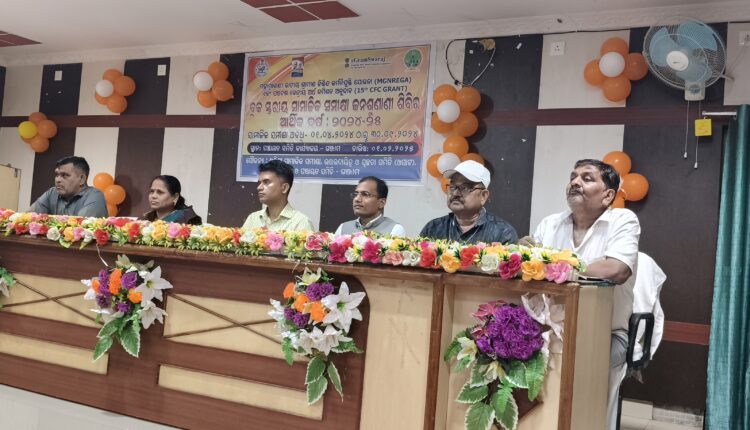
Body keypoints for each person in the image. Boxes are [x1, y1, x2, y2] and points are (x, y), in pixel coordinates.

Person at [526, 159, 640, 430]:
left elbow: (617, 268)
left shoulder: (623, 220)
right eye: (573, 177)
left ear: (608, 195)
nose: (575, 182)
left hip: (605, 333)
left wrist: (557, 265)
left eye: (587, 178)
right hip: (548, 330)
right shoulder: (550, 223)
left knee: (582, 394)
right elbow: (531, 264)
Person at [419, 160, 517, 244]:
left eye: (465, 187)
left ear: (483, 196)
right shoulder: (432, 229)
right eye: (452, 186)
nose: (456, 193)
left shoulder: (503, 233)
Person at [242, 160, 314, 232]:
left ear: (284, 188)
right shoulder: (253, 219)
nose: (259, 187)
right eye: (260, 183)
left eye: (266, 182)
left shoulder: (301, 223)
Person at [30, 156, 108, 218]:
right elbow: (27, 219)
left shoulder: (95, 195)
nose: (58, 180)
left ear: (81, 179)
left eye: (64, 175)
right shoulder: (52, 193)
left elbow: (80, 228)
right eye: (57, 175)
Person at [334, 176, 406, 237]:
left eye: (365, 194)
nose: (357, 199)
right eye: (356, 194)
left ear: (381, 203)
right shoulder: (343, 228)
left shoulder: (394, 230)